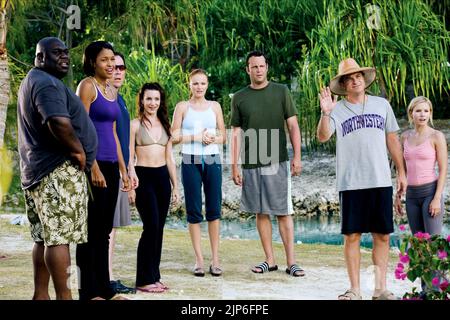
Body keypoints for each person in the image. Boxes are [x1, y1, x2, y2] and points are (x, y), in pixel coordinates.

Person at [316, 58, 407, 300]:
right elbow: (323, 136)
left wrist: (402, 172)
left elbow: (392, 140)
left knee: (383, 235)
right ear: (343, 84)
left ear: (363, 80)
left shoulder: (382, 105)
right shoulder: (337, 109)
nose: (355, 80)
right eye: (349, 77)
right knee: (352, 235)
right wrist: (326, 114)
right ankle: (355, 289)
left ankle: (380, 289)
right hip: (351, 181)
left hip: (380, 180)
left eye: (358, 76)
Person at [17, 37, 97, 300]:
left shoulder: (35, 80)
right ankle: (65, 297)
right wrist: (78, 151)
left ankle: (41, 295)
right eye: (56, 53)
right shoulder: (47, 84)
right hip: (56, 172)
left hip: (38, 171)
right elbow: (58, 123)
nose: (64, 57)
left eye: (65, 52)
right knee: (59, 239)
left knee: (44, 237)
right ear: (40, 58)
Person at [230, 51, 304, 277]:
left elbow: (292, 126)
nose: (258, 70)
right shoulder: (239, 97)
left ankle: (291, 262)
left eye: (262, 66)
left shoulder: (281, 91)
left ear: (267, 67)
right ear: (248, 70)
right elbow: (236, 133)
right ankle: (270, 260)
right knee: (260, 212)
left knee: (283, 212)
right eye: (254, 67)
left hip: (277, 160)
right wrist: (234, 165)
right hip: (251, 163)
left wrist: (297, 156)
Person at [75, 41, 131, 300]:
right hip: (92, 167)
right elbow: (81, 129)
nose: (110, 65)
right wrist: (92, 165)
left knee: (104, 231)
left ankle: (105, 289)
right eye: (104, 60)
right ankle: (88, 291)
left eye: (112, 60)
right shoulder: (87, 86)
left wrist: (123, 169)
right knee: (90, 231)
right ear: (92, 62)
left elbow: (112, 133)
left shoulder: (111, 90)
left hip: (110, 166)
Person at [171, 69, 226, 277]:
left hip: (212, 160)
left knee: (214, 209)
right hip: (190, 160)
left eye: (202, 83)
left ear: (207, 84)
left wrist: (212, 138)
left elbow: (223, 136)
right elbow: (174, 136)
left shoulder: (215, 107)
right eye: (195, 83)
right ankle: (199, 261)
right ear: (189, 84)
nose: (199, 87)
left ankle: (215, 259)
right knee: (194, 211)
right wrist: (196, 137)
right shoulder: (182, 107)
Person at [129, 82, 180, 293]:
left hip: (162, 179)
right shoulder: (134, 125)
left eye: (156, 99)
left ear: (161, 101)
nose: (152, 103)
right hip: (143, 178)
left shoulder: (165, 125)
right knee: (150, 227)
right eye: (149, 98)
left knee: (158, 229)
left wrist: (175, 186)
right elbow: (129, 156)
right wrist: (130, 181)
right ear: (142, 100)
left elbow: (169, 158)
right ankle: (142, 279)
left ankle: (154, 276)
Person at [395, 97, 447, 235]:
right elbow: (401, 170)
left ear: (430, 113)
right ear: (411, 112)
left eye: (426, 111)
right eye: (418, 111)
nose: (422, 114)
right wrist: (398, 196)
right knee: (417, 244)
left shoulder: (437, 136)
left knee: (432, 242)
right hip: (411, 195)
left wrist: (436, 198)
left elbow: (443, 170)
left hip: (430, 193)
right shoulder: (405, 137)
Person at [107, 52, 137, 294]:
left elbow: (125, 138)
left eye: (121, 67)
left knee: (113, 226)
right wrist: (121, 170)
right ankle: (105, 277)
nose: (117, 71)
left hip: (121, 169)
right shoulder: (104, 97)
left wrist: (130, 167)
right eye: (113, 67)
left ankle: (108, 274)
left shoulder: (121, 99)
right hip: (108, 168)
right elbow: (111, 136)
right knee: (107, 227)